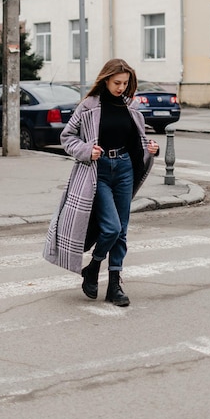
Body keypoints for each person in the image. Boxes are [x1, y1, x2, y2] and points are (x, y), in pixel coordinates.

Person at [43, 58, 159, 307]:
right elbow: (67, 137)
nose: (121, 88)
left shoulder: (130, 106)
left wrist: (151, 148)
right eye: (117, 83)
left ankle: (115, 284)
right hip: (100, 171)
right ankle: (94, 266)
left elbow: (137, 140)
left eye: (125, 83)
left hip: (125, 168)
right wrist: (87, 150)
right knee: (112, 228)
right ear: (105, 79)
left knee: (123, 231)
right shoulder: (89, 106)